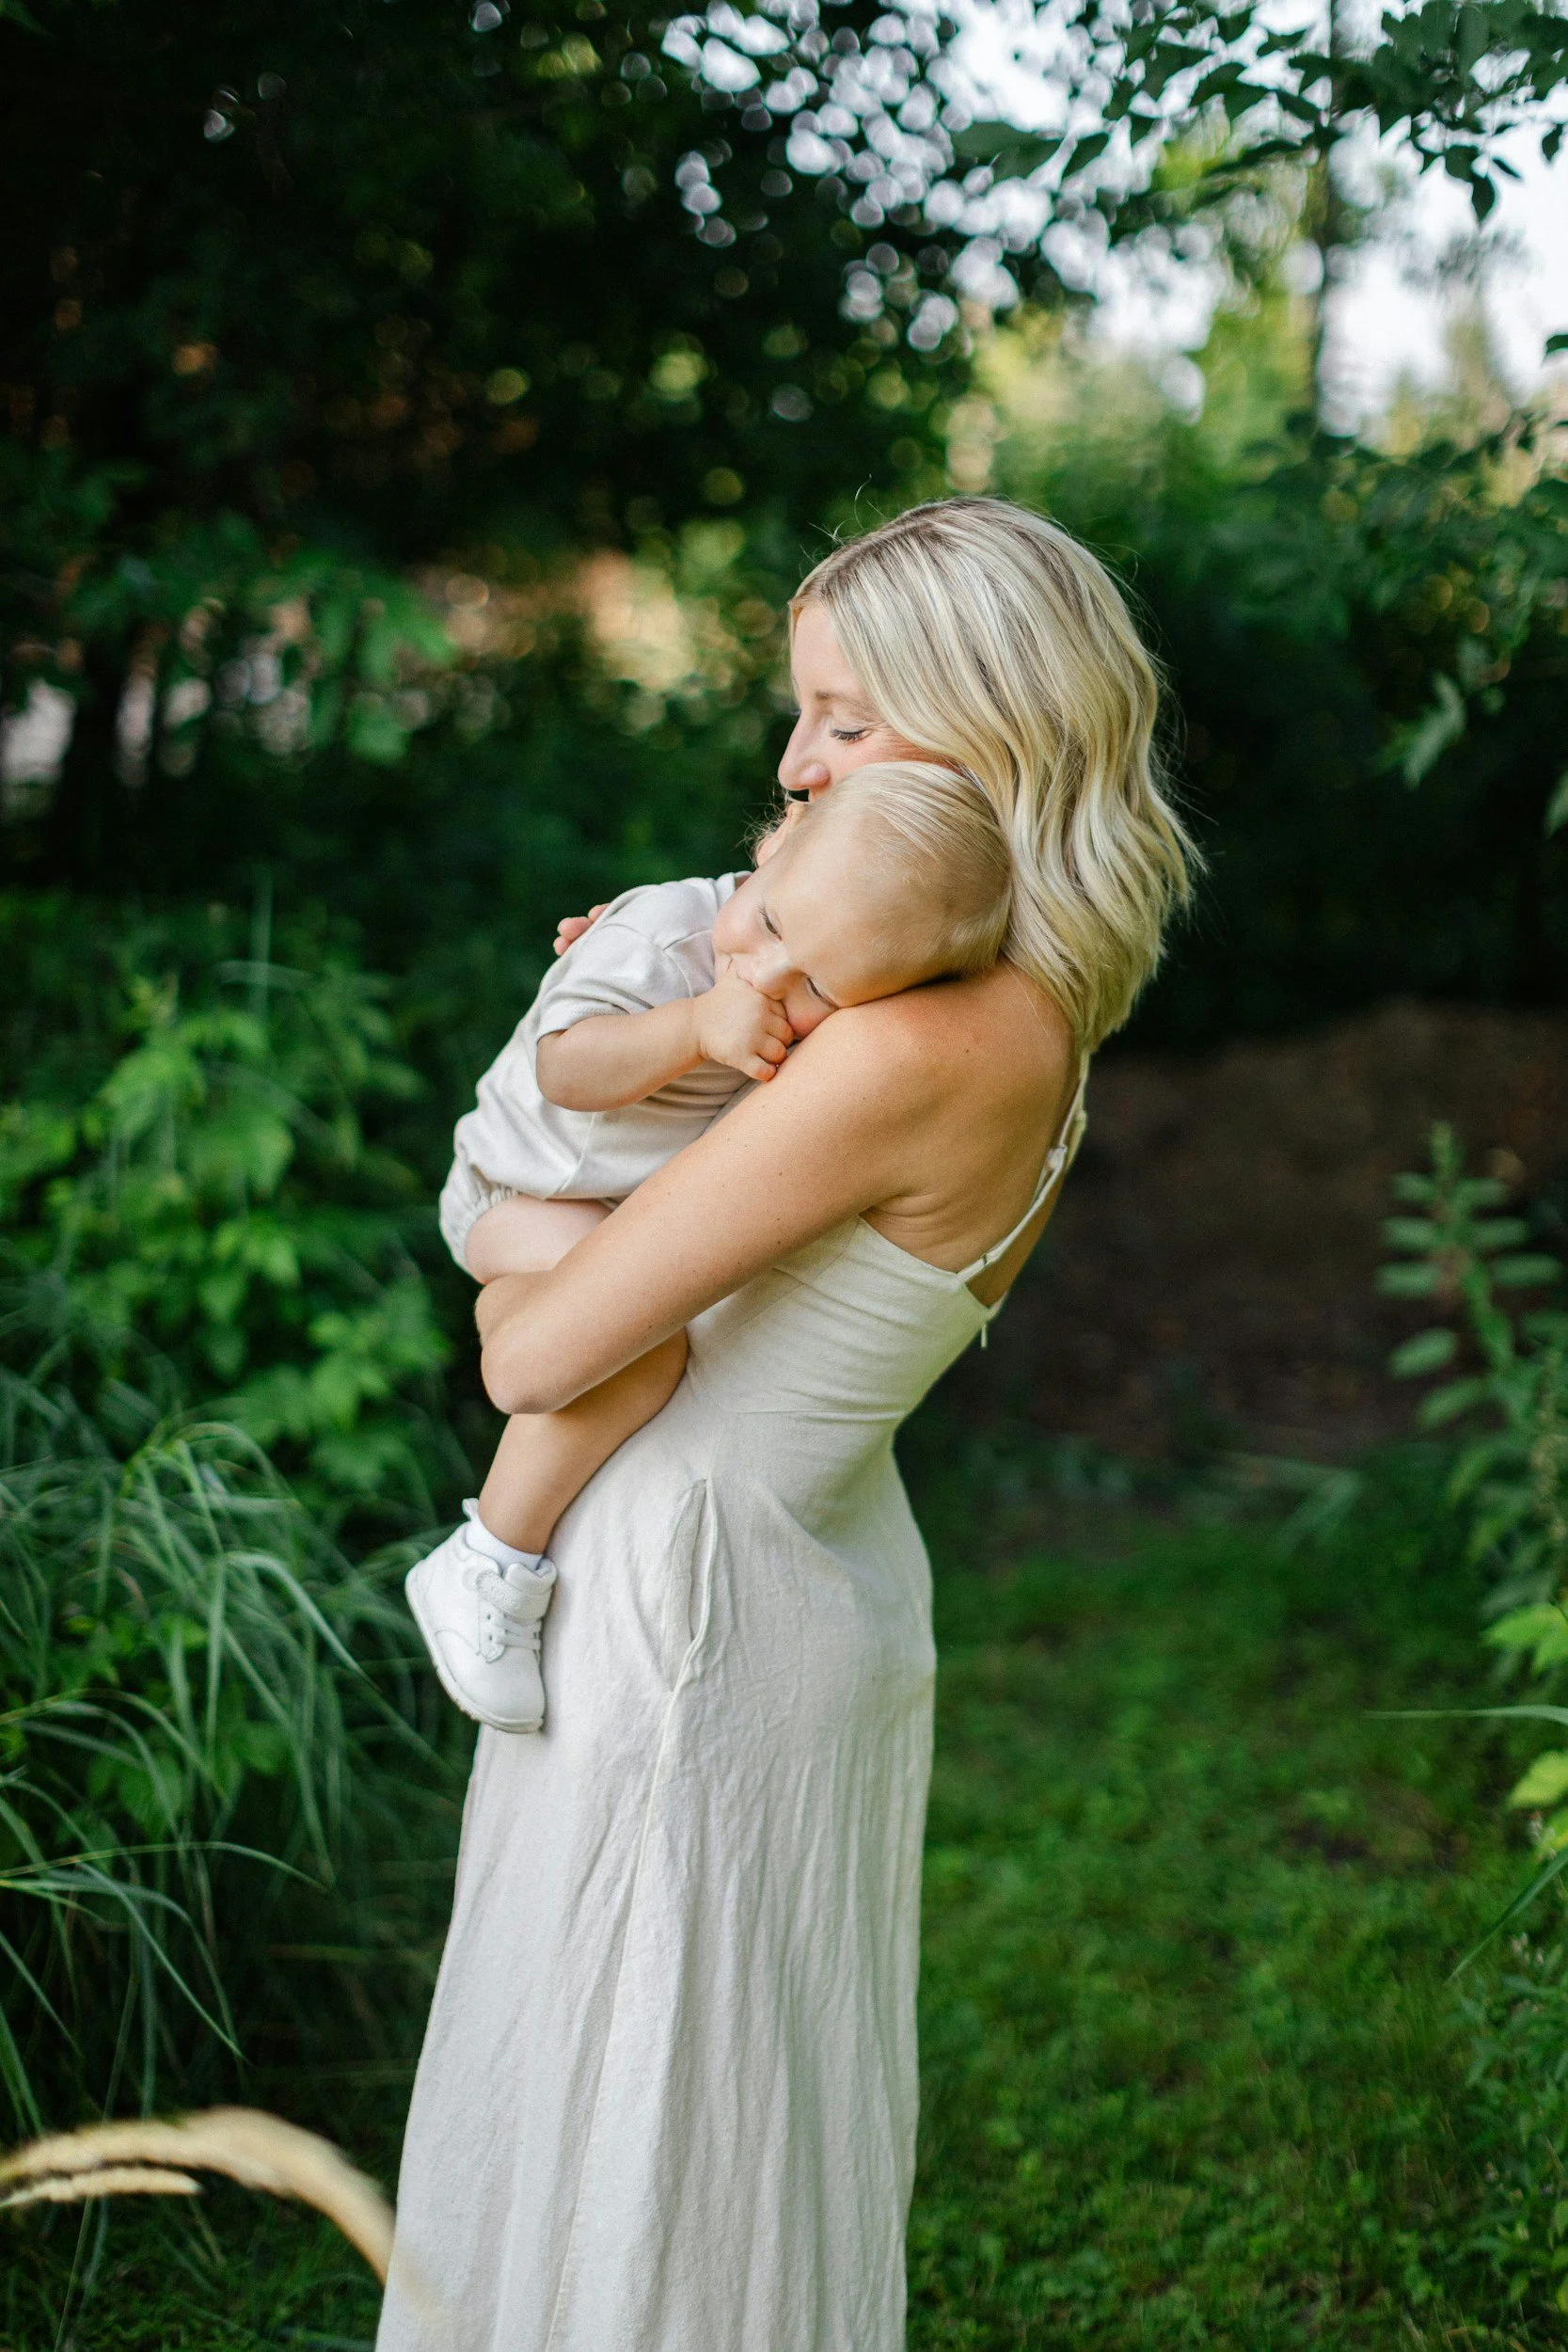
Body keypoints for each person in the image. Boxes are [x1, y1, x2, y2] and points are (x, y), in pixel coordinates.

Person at [376, 497, 1196, 2352]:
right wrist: (686, 991)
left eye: (839, 717)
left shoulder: (908, 1046)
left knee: (633, 2123)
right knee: (743, 2123)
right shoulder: (1021, 1009)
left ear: (986, 719)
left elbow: (541, 1357)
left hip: (683, 1599)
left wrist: (572, 1151)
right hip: (817, 1561)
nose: (789, 759)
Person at [406, 761, 1013, 1733]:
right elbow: (562, 1067)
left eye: (815, 983)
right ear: (772, 845)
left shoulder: (842, 985)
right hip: (521, 1185)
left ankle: (516, 1367)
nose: (767, 977)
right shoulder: (661, 933)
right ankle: (488, 1556)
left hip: (613, 1204)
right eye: (770, 925)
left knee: (638, 1325)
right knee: (642, 1346)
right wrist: (692, 1024)